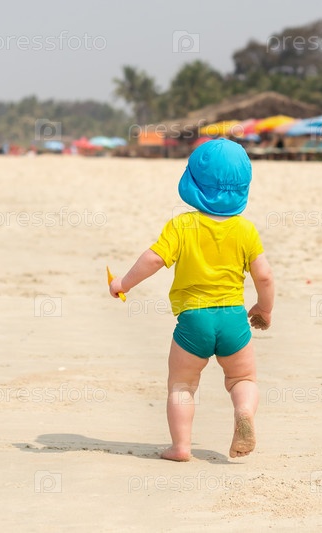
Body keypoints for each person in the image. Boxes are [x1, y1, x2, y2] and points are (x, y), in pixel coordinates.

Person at [109, 139, 275, 461]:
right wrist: (264, 308)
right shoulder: (245, 230)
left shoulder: (182, 225)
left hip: (193, 321)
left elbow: (154, 259)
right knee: (242, 378)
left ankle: (181, 447)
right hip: (233, 319)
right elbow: (265, 276)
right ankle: (243, 411)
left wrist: (122, 283)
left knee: (182, 385)